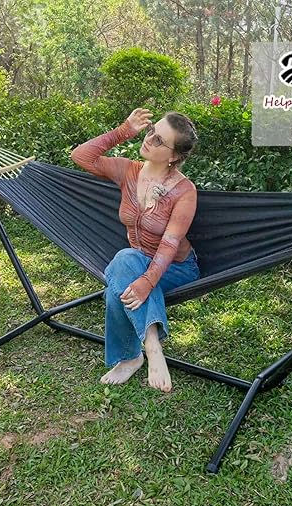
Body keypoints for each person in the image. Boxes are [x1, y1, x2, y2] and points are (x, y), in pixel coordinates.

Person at [70, 108, 200, 393]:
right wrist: (124, 130)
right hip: (135, 262)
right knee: (126, 264)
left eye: (159, 140)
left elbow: (169, 244)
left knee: (120, 274)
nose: (149, 139)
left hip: (176, 268)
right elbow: (81, 156)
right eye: (151, 131)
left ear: (173, 157)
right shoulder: (128, 170)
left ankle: (135, 355)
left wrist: (147, 281)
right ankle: (150, 345)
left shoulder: (184, 191)